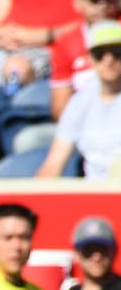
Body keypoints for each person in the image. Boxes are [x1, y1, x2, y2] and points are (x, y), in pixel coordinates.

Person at [36, 20, 121, 180]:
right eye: (100, 54)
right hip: (94, 191)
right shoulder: (79, 103)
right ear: (90, 59)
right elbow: (54, 163)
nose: (109, 60)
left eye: (117, 52)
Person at [48, 0, 120, 121]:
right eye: (94, 0)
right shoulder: (67, 43)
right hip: (84, 122)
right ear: (78, 3)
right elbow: (60, 110)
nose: (102, 5)